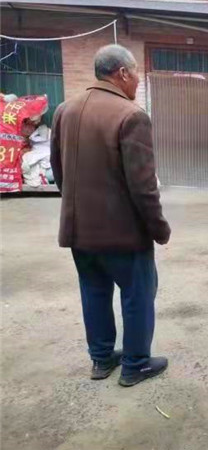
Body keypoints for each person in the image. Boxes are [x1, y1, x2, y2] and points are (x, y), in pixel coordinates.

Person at [51, 44, 171, 387]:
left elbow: (59, 170)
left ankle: (102, 359)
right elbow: (143, 187)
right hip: (123, 236)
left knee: (94, 292)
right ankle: (135, 364)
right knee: (138, 295)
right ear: (122, 73)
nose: (136, 82)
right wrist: (159, 228)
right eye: (135, 75)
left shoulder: (64, 110)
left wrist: (76, 207)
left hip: (79, 231)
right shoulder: (131, 116)